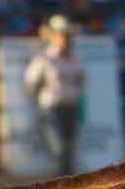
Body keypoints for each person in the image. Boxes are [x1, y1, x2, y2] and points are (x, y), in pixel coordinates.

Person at [24, 14, 84, 177]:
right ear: (53, 37)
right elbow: (30, 83)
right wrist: (40, 102)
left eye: (67, 35)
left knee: (68, 147)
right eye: (62, 34)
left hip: (70, 106)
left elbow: (81, 81)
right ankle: (62, 181)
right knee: (59, 148)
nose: (66, 38)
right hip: (52, 107)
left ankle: (66, 181)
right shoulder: (44, 58)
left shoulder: (74, 58)